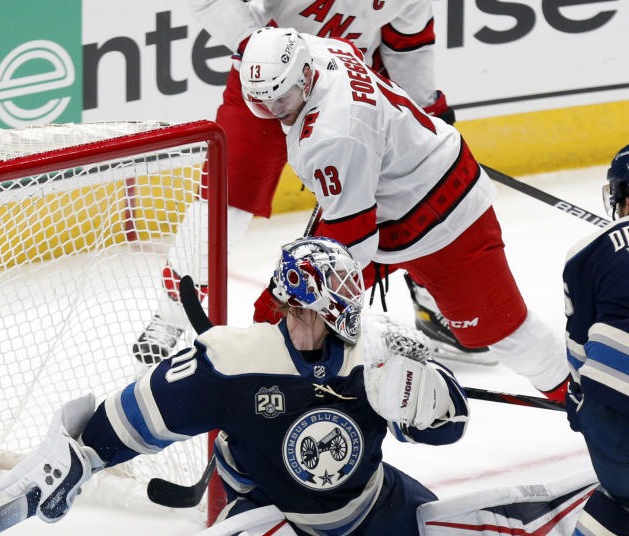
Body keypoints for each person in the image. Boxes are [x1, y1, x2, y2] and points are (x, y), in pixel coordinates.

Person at [0, 236, 588, 536]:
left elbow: (448, 425)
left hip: (370, 501)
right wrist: (85, 452)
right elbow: (141, 413)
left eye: (324, 311)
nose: (312, 321)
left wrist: (431, 401)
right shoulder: (232, 358)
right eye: (302, 309)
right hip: (272, 514)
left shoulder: (377, 353)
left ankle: (568, 519)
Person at [235, 26, 569, 402]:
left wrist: (292, 283)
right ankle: (279, 401)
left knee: (507, 334)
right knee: (298, 301)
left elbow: (352, 248)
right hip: (390, 201)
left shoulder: (333, 134)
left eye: (282, 100)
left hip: (445, 220)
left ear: (307, 75)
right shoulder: (313, 47)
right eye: (263, 103)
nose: (275, 111)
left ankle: (587, 400)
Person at [133, 0, 475, 365]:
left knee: (405, 193)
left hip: (351, 90)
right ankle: (170, 316)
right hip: (269, 85)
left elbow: (408, 42)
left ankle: (427, 298)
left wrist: (423, 111)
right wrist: (256, 44)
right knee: (226, 199)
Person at [533, 145, 629, 536]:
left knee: (619, 497)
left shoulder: (585, 251)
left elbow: (578, 349)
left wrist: (581, 400)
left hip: (607, 406)